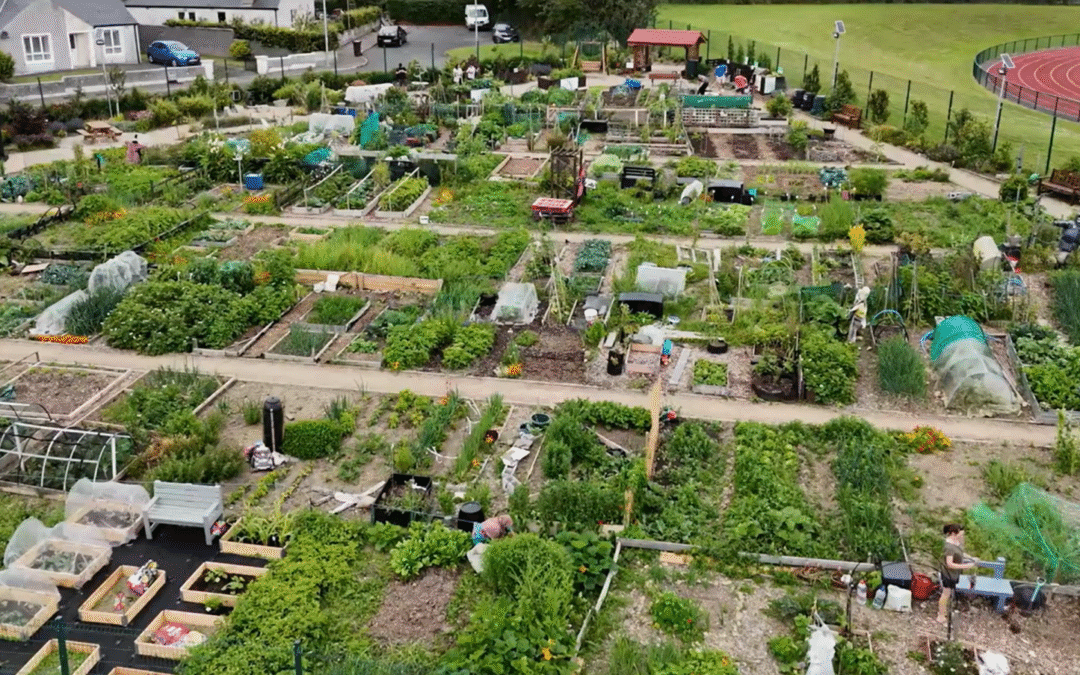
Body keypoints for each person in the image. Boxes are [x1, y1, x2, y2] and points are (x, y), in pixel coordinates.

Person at [937, 523, 980, 625]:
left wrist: (970, 558)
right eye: (961, 533)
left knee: (949, 593)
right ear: (953, 533)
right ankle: (941, 616)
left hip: (955, 574)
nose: (962, 535)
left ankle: (945, 611)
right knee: (945, 594)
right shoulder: (949, 547)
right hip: (948, 574)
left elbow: (960, 553)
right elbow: (950, 564)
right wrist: (967, 566)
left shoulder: (956, 543)